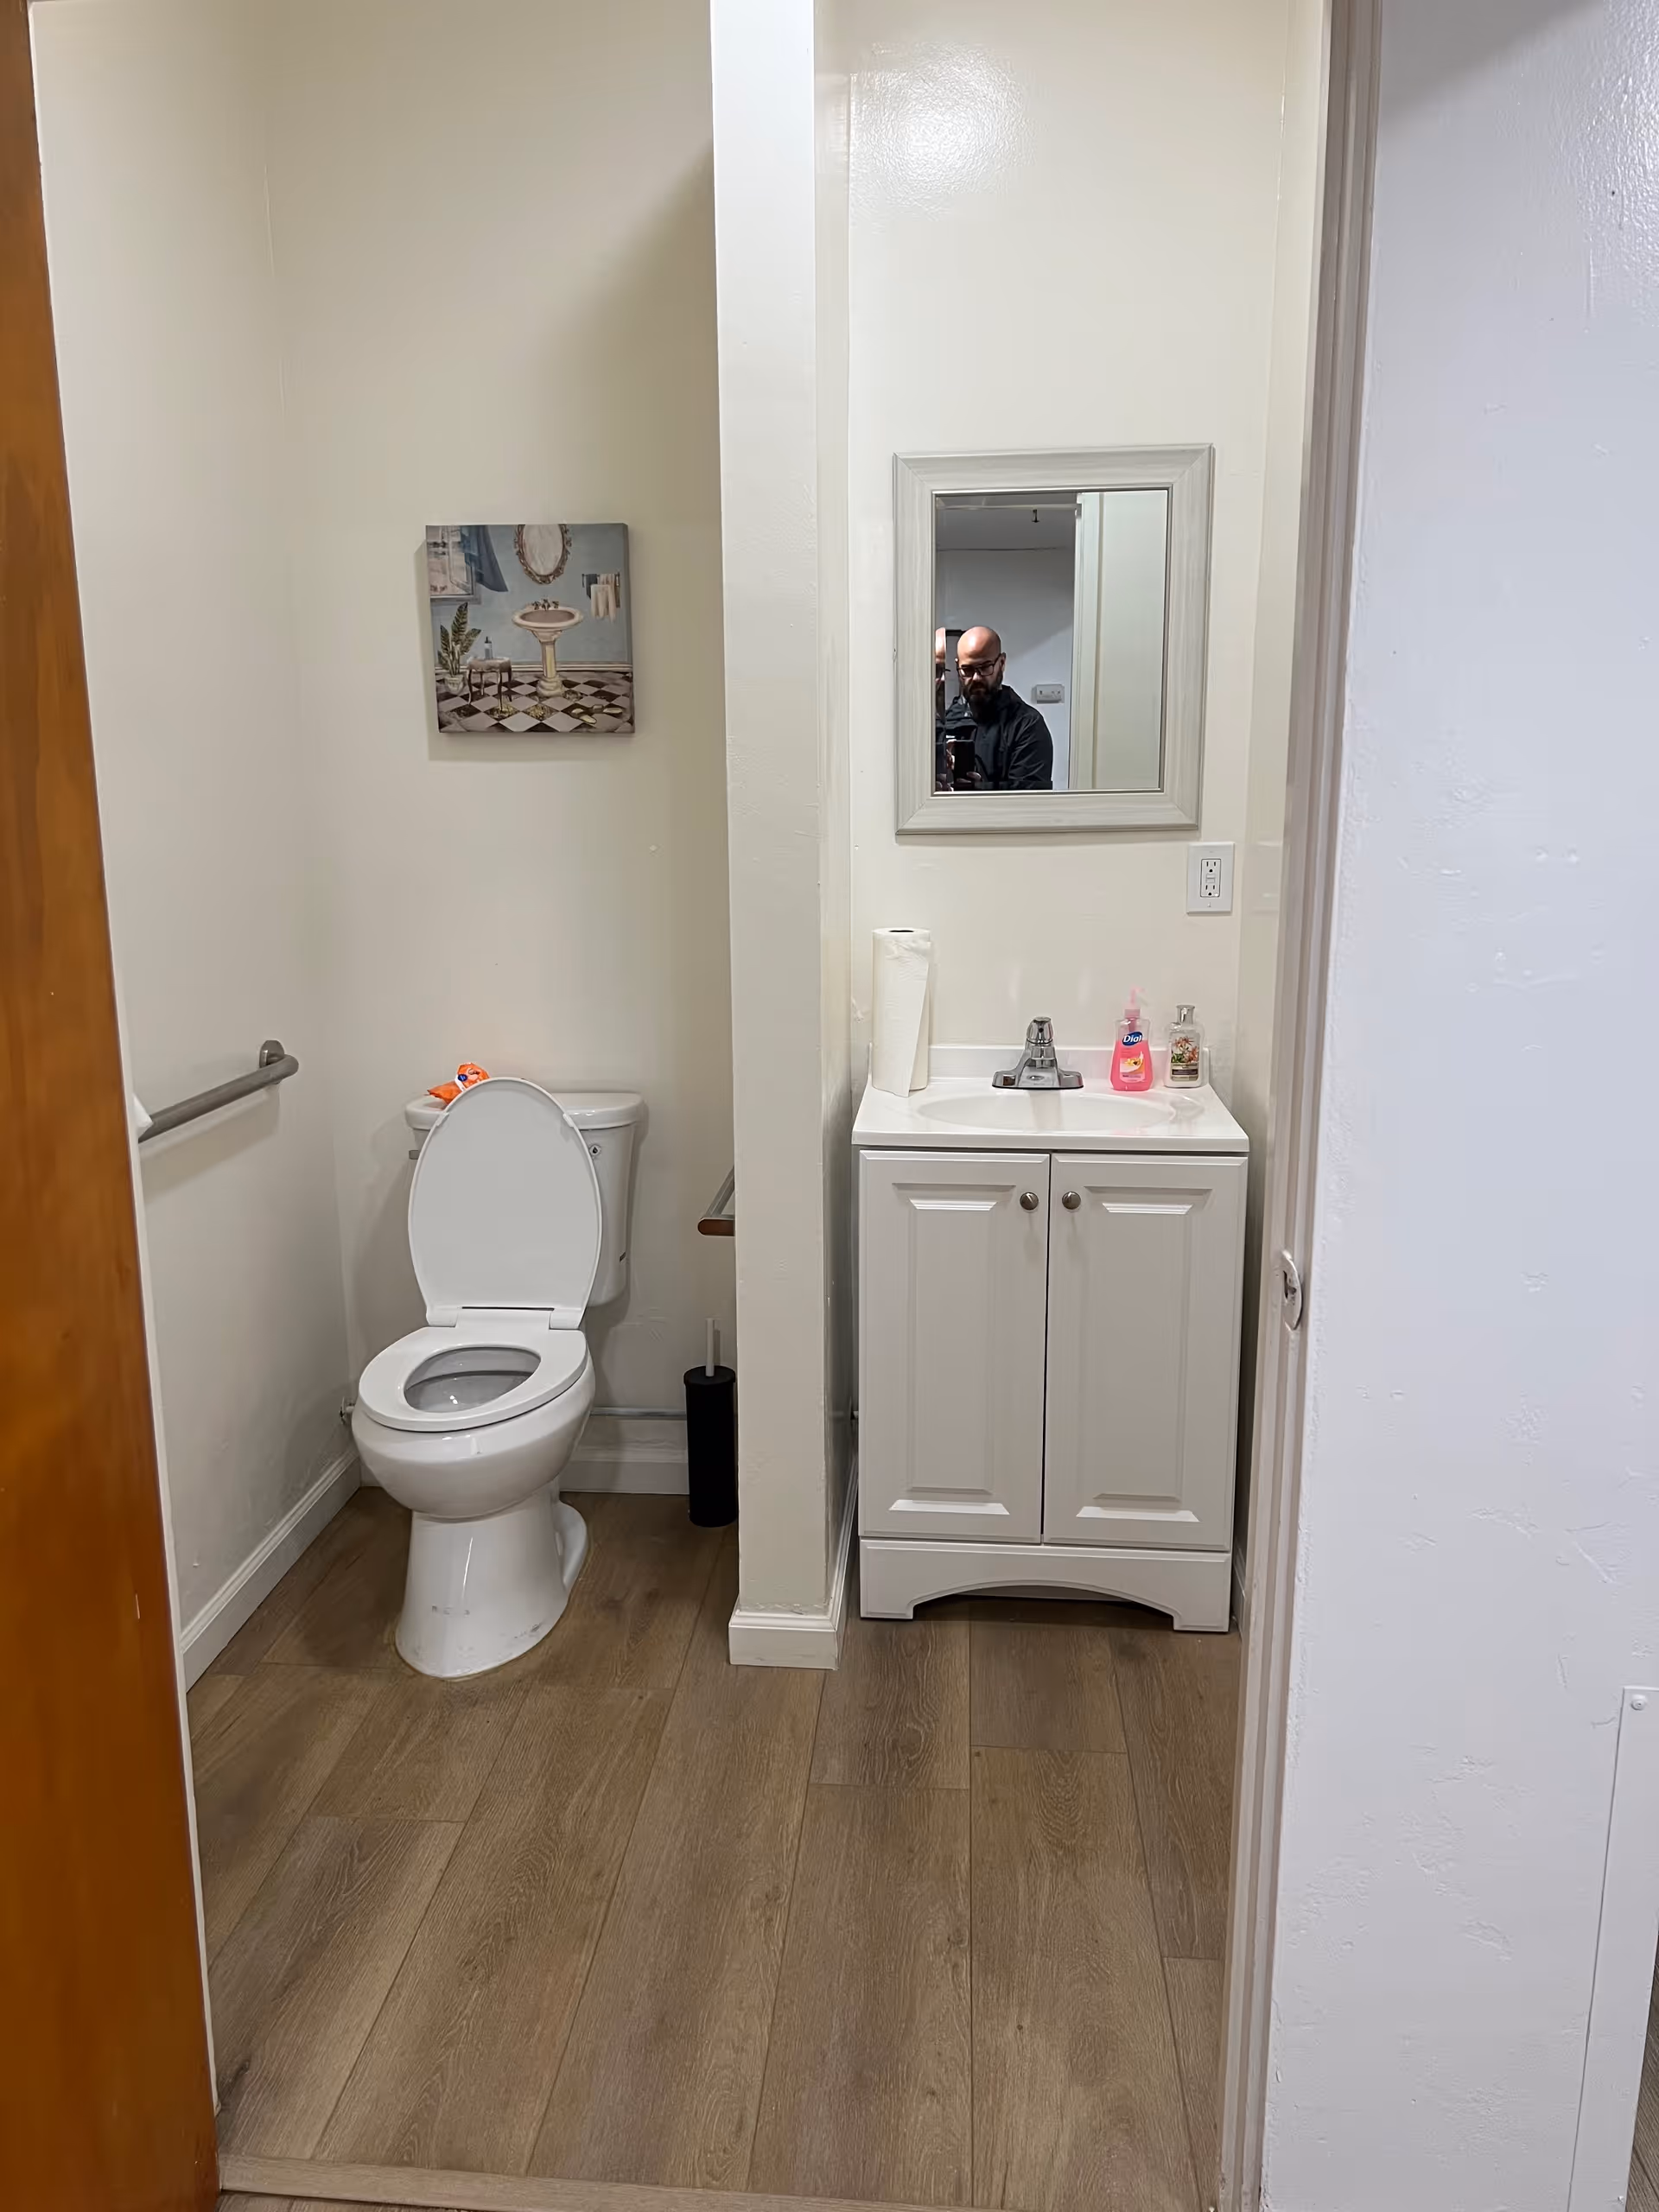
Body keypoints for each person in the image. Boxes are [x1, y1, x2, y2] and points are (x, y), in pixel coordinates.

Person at [951, 625, 1054, 791]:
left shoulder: (1028, 726)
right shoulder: (948, 719)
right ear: (958, 667)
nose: (976, 678)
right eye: (968, 669)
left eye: (985, 667)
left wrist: (979, 788)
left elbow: (1029, 803)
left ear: (1002, 663)